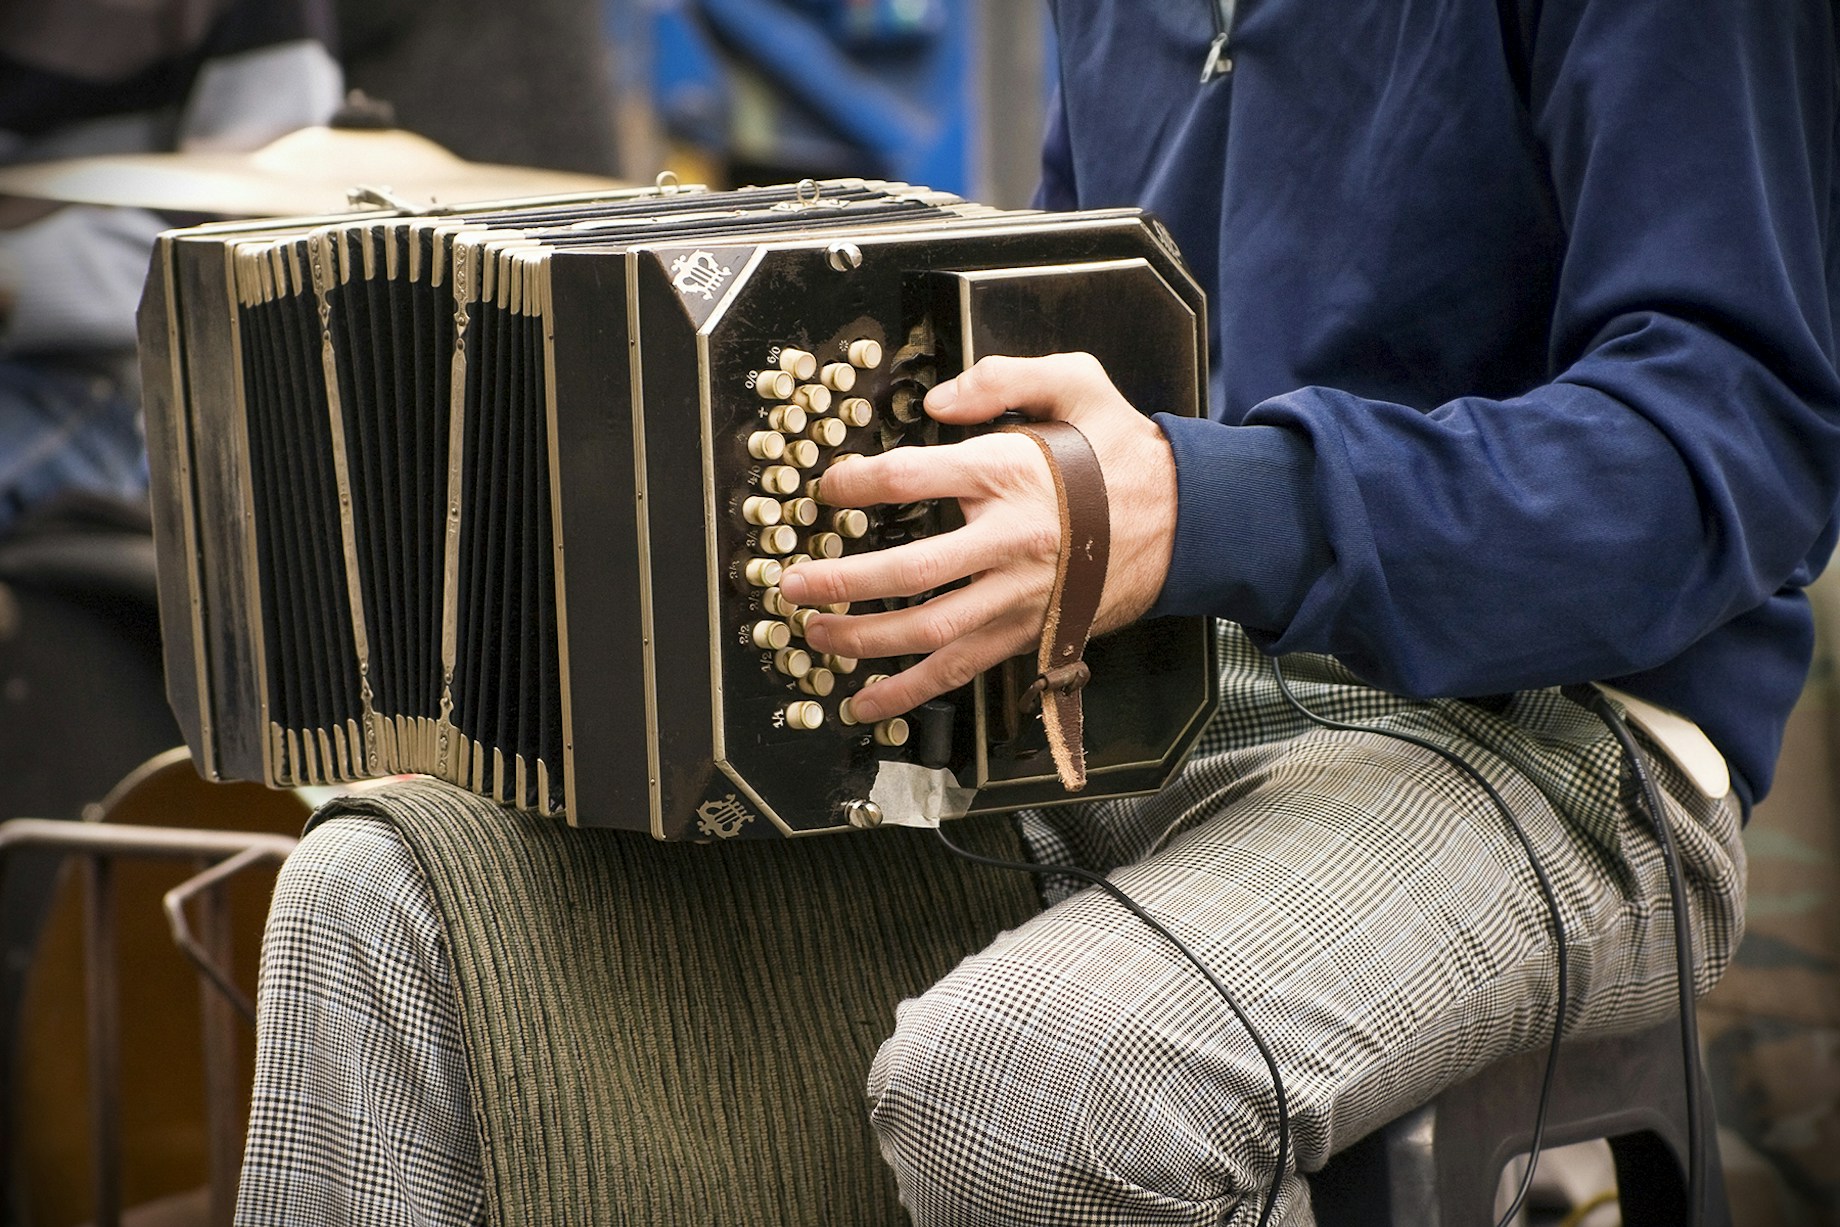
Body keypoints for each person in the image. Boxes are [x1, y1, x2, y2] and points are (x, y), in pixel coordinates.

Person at [238, 0, 1838, 1223]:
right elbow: (1079, 328)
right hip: (1103, 708)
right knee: (381, 902)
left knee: (1036, 1086)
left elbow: (1735, 448)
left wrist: (1205, 505)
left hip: (1557, 736)